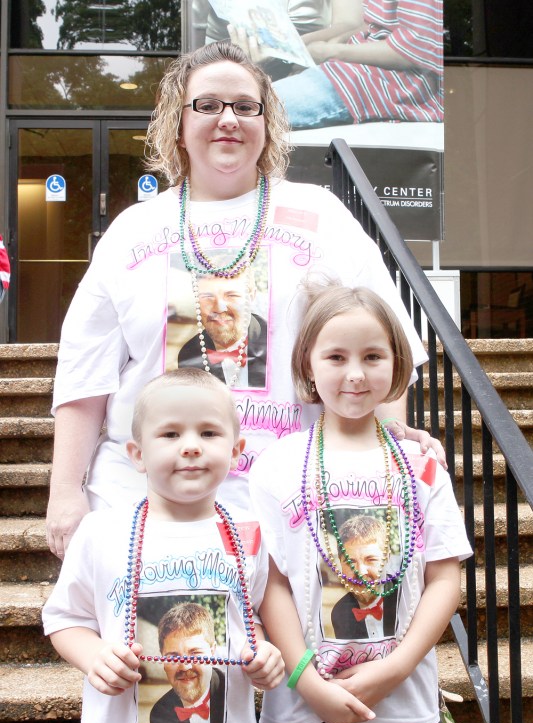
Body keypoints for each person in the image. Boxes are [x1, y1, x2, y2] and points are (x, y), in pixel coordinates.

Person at [46, 39, 438, 560]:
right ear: (177, 123)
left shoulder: (321, 215)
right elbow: (85, 374)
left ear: (266, 123)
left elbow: (383, 343)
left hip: (287, 505)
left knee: (286, 645)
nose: (227, 118)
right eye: (207, 105)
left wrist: (381, 454)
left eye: (245, 106)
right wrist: (65, 492)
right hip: (140, 508)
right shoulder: (131, 231)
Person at [248, 280, 472, 723]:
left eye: (373, 356)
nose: (355, 373)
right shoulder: (275, 466)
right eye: (336, 356)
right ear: (308, 364)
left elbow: (444, 580)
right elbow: (272, 583)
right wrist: (307, 682)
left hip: (402, 706)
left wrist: (394, 669)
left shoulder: (421, 466)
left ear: (396, 365)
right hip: (301, 710)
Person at [42, 369, 285, 723]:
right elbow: (64, 618)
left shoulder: (249, 535)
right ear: (136, 454)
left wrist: (263, 653)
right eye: (170, 434)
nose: (190, 445)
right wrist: (96, 656)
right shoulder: (100, 532)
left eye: (208, 432)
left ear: (236, 451)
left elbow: (248, 620)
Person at [232, 0, 443, 130]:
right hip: (344, 71)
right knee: (231, 108)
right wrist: (300, 45)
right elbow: (364, 24)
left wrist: (333, 51)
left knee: (241, 112)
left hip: (384, 82)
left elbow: (414, 48)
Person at [149, 602, 226, 723]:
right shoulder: (160, 714)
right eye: (173, 656)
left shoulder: (232, 694)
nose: (185, 666)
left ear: (212, 652)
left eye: (195, 653)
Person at [177, 270, 268, 387]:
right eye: (207, 297)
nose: (219, 308)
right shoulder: (188, 354)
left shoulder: (277, 344)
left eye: (231, 296)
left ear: (251, 297)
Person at [330, 514, 397, 639]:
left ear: (387, 558)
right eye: (350, 562)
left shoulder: (404, 597)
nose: (360, 572)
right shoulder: (339, 613)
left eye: (370, 559)